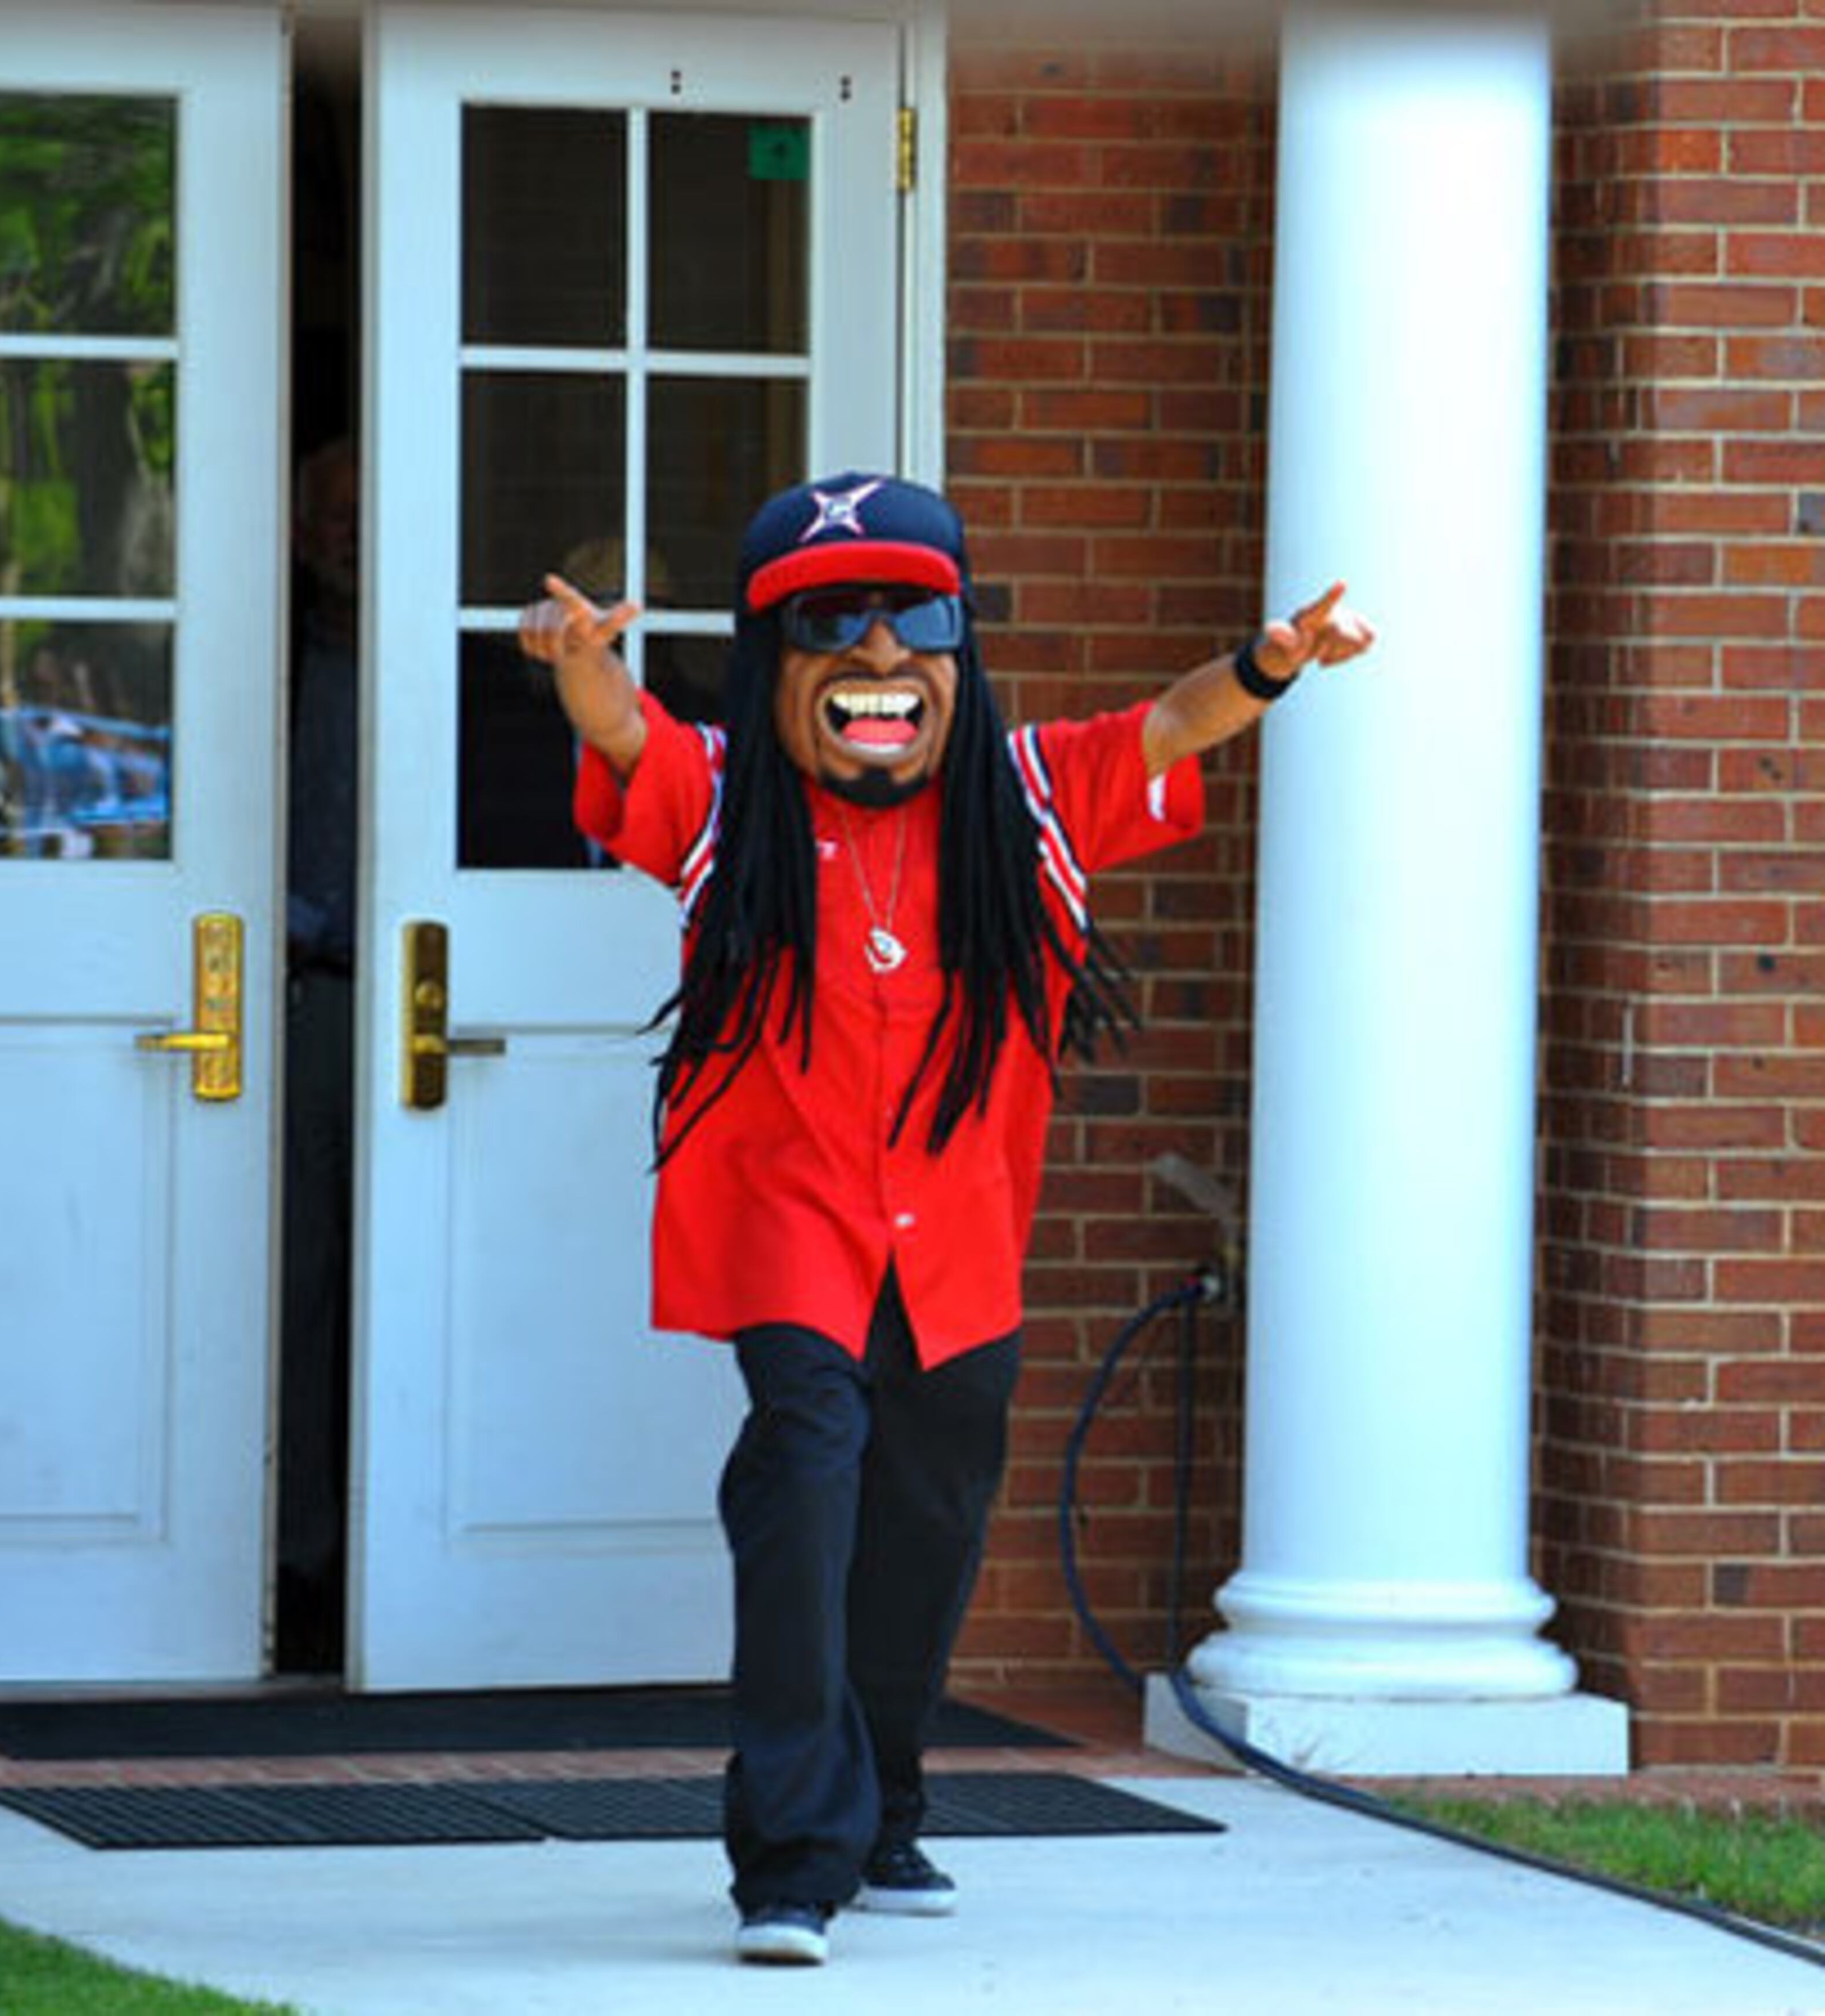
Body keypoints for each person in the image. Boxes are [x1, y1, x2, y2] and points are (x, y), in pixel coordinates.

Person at [518, 472, 1374, 1968]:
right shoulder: (728, 799)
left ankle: (887, 1795)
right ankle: (789, 1859)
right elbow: (623, 736)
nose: (877, 655)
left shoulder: (1030, 799)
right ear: (773, 652)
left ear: (960, 643)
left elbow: (1165, 732)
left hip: (959, 1242)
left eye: (914, 617)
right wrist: (584, 658)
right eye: (831, 621)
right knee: (806, 1485)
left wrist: (1267, 669)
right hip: (789, 1227)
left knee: (925, 1522)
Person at [278, 439, 360, 1669]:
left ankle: (366, 1557)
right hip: (285, 994)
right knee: (294, 1293)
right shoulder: (262, 647)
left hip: (405, 992)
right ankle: (293, 1559)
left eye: (366, 508)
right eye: (329, 511)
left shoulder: (459, 668)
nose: (349, 528)